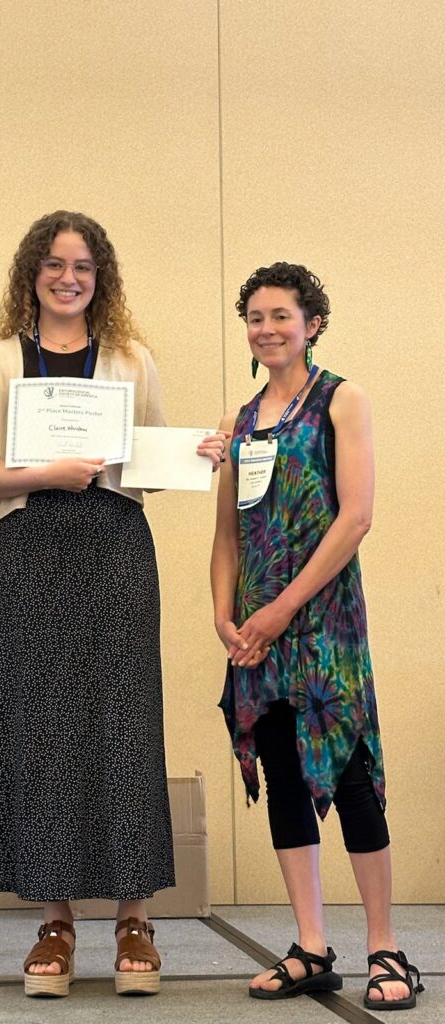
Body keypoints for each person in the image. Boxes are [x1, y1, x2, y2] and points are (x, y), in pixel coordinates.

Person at [0, 211, 226, 998]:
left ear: (99, 277)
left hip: (114, 552)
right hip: (32, 552)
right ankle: (56, 921)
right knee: (41, 727)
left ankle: (134, 918)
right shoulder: (0, 359)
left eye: (83, 266)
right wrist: (43, 474)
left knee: (123, 722)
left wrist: (193, 452)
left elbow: (142, 466)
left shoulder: (130, 359)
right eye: (53, 264)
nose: (68, 277)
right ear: (30, 274)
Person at [211, 262, 423, 1010]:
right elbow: (227, 536)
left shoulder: (342, 399)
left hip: (323, 625)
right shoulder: (240, 421)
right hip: (258, 639)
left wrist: (279, 612)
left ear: (313, 324)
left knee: (351, 776)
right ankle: (310, 945)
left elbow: (355, 517)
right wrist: (225, 616)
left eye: (281, 316)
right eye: (255, 317)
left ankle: (385, 945)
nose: (266, 329)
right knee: (282, 780)